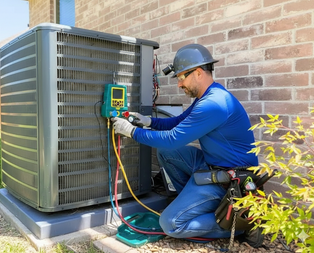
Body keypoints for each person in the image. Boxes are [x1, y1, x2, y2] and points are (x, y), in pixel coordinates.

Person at [111, 44, 263, 248]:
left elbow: (174, 138)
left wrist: (131, 131)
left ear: (198, 72)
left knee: (171, 224)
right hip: (212, 164)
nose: (179, 84)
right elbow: (178, 122)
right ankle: (192, 203)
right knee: (168, 153)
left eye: (181, 77)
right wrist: (148, 122)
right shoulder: (208, 96)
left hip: (229, 180)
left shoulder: (214, 103)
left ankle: (242, 222)